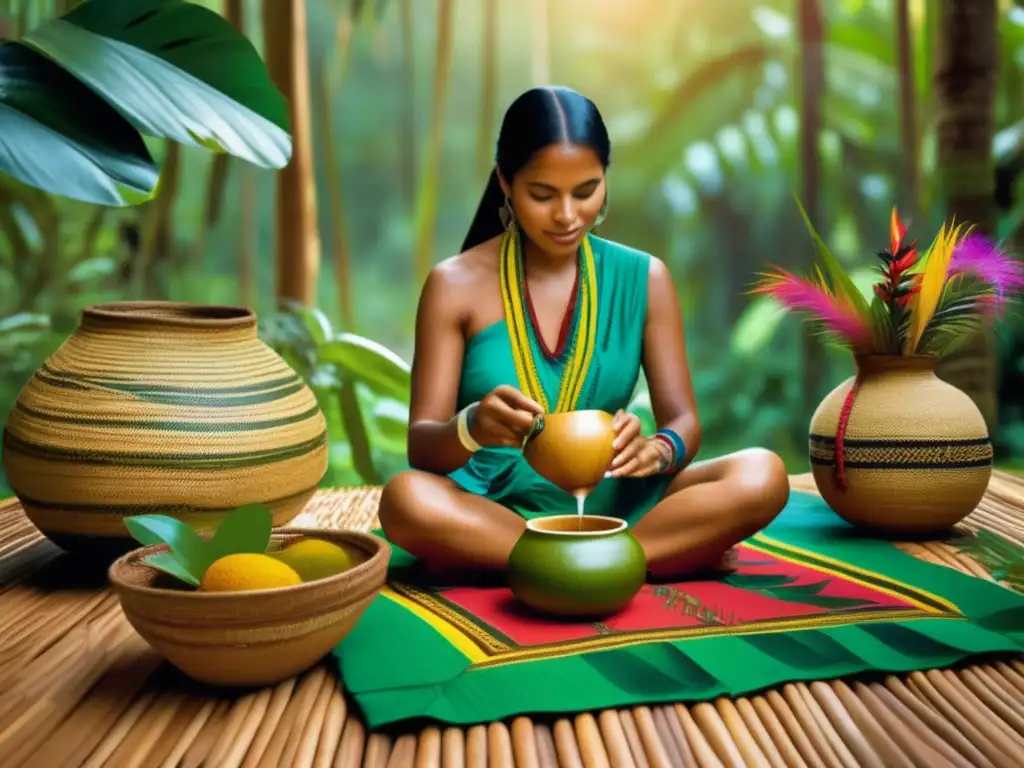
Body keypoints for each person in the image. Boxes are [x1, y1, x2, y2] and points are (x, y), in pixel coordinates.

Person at [379, 85, 790, 582]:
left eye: (586, 190)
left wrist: (661, 449)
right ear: (506, 182)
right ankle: (634, 561)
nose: (568, 215)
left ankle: (566, 568)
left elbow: (683, 421)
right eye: (542, 195)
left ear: (605, 179)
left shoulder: (645, 278)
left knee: (762, 475)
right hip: (494, 512)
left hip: (615, 502)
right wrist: (472, 426)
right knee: (406, 499)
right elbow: (423, 447)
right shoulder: (453, 285)